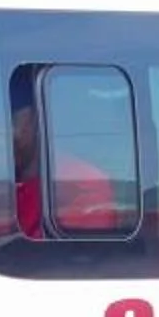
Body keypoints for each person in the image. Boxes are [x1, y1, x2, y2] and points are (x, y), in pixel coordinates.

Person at [12, 102, 126, 238]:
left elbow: (78, 253)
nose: (0, 133)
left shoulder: (82, 183)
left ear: (36, 122)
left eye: (12, 120)